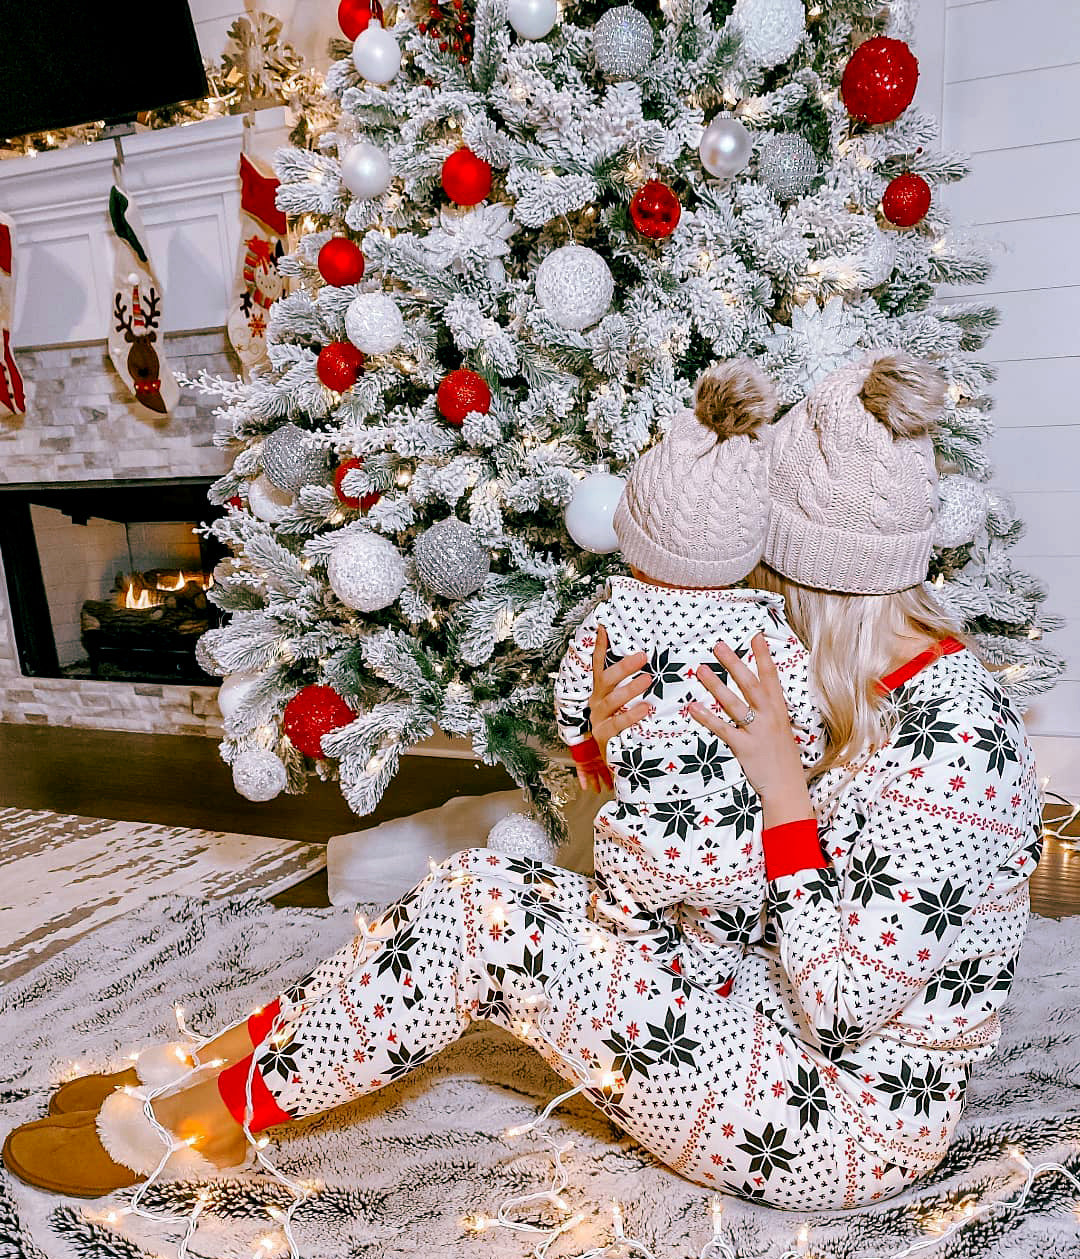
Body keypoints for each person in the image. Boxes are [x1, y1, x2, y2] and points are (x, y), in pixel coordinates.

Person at [3, 353, 1042, 1212]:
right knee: (474, 895)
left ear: (820, 586)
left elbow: (848, 1003)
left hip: (839, 1123)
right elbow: (726, 890)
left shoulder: (959, 746)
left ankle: (201, 1123)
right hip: (762, 1012)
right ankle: (191, 1074)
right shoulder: (872, 691)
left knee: (495, 934)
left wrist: (781, 794)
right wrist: (615, 740)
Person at [553, 358, 824, 955]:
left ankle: (642, 990)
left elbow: (574, 688)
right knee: (723, 940)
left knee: (626, 937)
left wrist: (585, 751)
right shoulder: (764, 628)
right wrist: (798, 765)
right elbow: (799, 711)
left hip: (639, 838)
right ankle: (713, 986)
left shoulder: (611, 616)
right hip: (738, 841)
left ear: (634, 544)